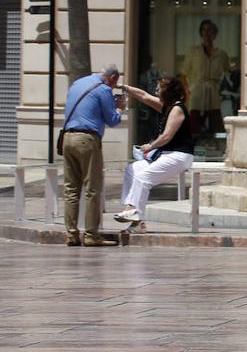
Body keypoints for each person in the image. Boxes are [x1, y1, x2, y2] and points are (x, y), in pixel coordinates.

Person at [114, 77, 196, 231]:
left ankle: (132, 212)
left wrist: (150, 146)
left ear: (168, 92)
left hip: (179, 156)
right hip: (166, 154)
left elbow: (166, 136)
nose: (156, 92)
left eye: (159, 89)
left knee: (143, 178)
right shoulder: (167, 106)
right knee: (132, 170)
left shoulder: (177, 108)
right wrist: (123, 87)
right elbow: (143, 96)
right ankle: (135, 217)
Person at [61, 65, 125, 246]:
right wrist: (120, 107)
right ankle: (91, 235)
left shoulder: (78, 83)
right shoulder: (104, 89)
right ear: (112, 78)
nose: (114, 86)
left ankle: (71, 235)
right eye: (115, 83)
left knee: (71, 189)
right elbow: (112, 120)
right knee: (92, 188)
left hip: (67, 137)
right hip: (87, 140)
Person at [181, 19, 231, 137]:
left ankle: (218, 147)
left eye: (210, 30)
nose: (207, 33)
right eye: (204, 30)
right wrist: (187, 92)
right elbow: (183, 73)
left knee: (216, 123)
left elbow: (229, 73)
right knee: (194, 123)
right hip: (196, 93)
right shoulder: (194, 52)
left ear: (215, 33)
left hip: (214, 93)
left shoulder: (222, 55)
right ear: (201, 33)